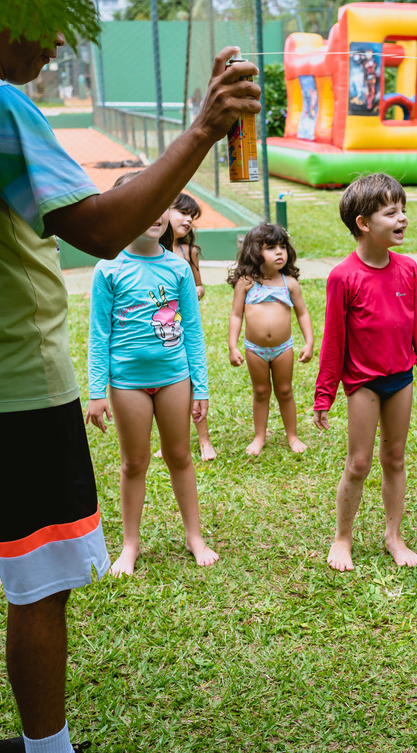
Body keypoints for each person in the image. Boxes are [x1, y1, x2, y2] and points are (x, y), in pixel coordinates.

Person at [0, 0, 258, 753]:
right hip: (13, 394)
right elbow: (100, 228)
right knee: (39, 585)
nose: (56, 42)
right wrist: (204, 130)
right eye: (49, 20)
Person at [312, 173, 417, 571]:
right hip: (362, 384)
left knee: (395, 458)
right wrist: (324, 395)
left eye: (403, 210)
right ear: (363, 223)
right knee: (358, 463)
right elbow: (333, 340)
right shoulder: (343, 276)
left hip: (400, 380)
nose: (403, 218)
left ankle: (394, 536)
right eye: (391, 212)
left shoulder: (408, 269)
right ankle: (343, 538)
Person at [86, 172, 218, 575]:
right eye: (142, 204)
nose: (155, 214)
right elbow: (98, 333)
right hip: (127, 384)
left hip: (175, 378)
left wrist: (201, 386)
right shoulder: (108, 269)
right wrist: (96, 392)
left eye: (161, 202)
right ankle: (131, 544)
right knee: (134, 463)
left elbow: (193, 332)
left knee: (180, 456)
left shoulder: (178, 269)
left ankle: (194, 536)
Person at [226, 222, 315, 455]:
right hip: (255, 349)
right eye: (271, 247)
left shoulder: (289, 283)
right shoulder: (246, 283)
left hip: (283, 348)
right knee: (261, 392)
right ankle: (259, 437)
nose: (279, 252)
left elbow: (302, 313)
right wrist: (232, 346)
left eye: (283, 247)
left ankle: (292, 436)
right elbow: (236, 316)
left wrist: (309, 341)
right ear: (255, 252)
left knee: (285, 391)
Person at [157, 192, 216, 461]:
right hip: (160, 332)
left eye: (193, 216)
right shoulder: (153, 249)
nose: (189, 220)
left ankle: (204, 440)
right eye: (183, 212)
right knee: (162, 388)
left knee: (192, 383)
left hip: (183, 330)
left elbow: (199, 283)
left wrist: (195, 291)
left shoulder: (188, 252)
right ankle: (167, 441)